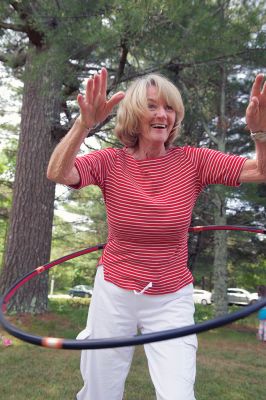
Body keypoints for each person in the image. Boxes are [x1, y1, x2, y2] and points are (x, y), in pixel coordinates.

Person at [47, 68, 266, 400]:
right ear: (135, 113)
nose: (163, 114)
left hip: (171, 296)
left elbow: (260, 171)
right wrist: (83, 124)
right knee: (99, 392)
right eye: (152, 106)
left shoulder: (193, 161)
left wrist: (260, 132)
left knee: (178, 394)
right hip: (115, 291)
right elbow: (58, 172)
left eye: (169, 107)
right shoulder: (110, 162)